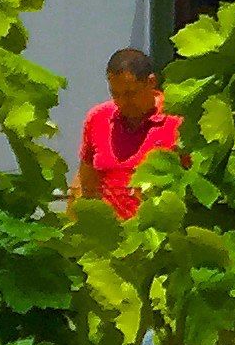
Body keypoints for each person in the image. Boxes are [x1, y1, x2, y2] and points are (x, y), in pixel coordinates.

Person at [76, 46, 181, 219]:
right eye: (115, 94)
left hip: (158, 236)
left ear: (151, 82)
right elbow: (85, 182)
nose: (122, 102)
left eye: (130, 93)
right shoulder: (98, 118)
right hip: (110, 236)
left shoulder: (177, 121)